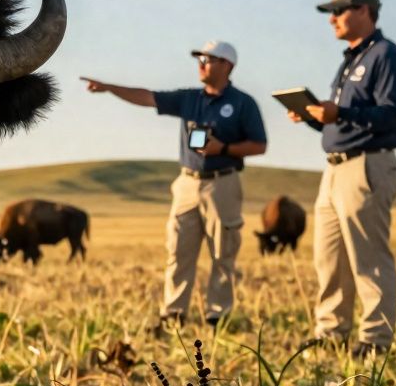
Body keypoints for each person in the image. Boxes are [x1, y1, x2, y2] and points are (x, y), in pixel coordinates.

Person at [83, 41, 267, 329]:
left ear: (227, 65)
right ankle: (173, 314)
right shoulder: (188, 99)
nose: (201, 64)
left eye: (209, 59)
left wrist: (224, 148)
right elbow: (147, 97)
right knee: (178, 251)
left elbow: (259, 145)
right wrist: (109, 87)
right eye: (200, 59)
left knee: (223, 252)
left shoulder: (243, 103)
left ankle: (217, 316)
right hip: (187, 183)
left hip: (223, 183)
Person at [287, 0, 396, 357]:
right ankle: (331, 333)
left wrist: (338, 113)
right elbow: (343, 123)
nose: (332, 19)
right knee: (329, 258)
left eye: (339, 10)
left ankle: (375, 341)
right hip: (334, 168)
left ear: (364, 11)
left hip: (367, 166)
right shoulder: (351, 61)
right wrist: (315, 118)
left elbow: (392, 115)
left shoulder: (388, 57)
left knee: (368, 256)